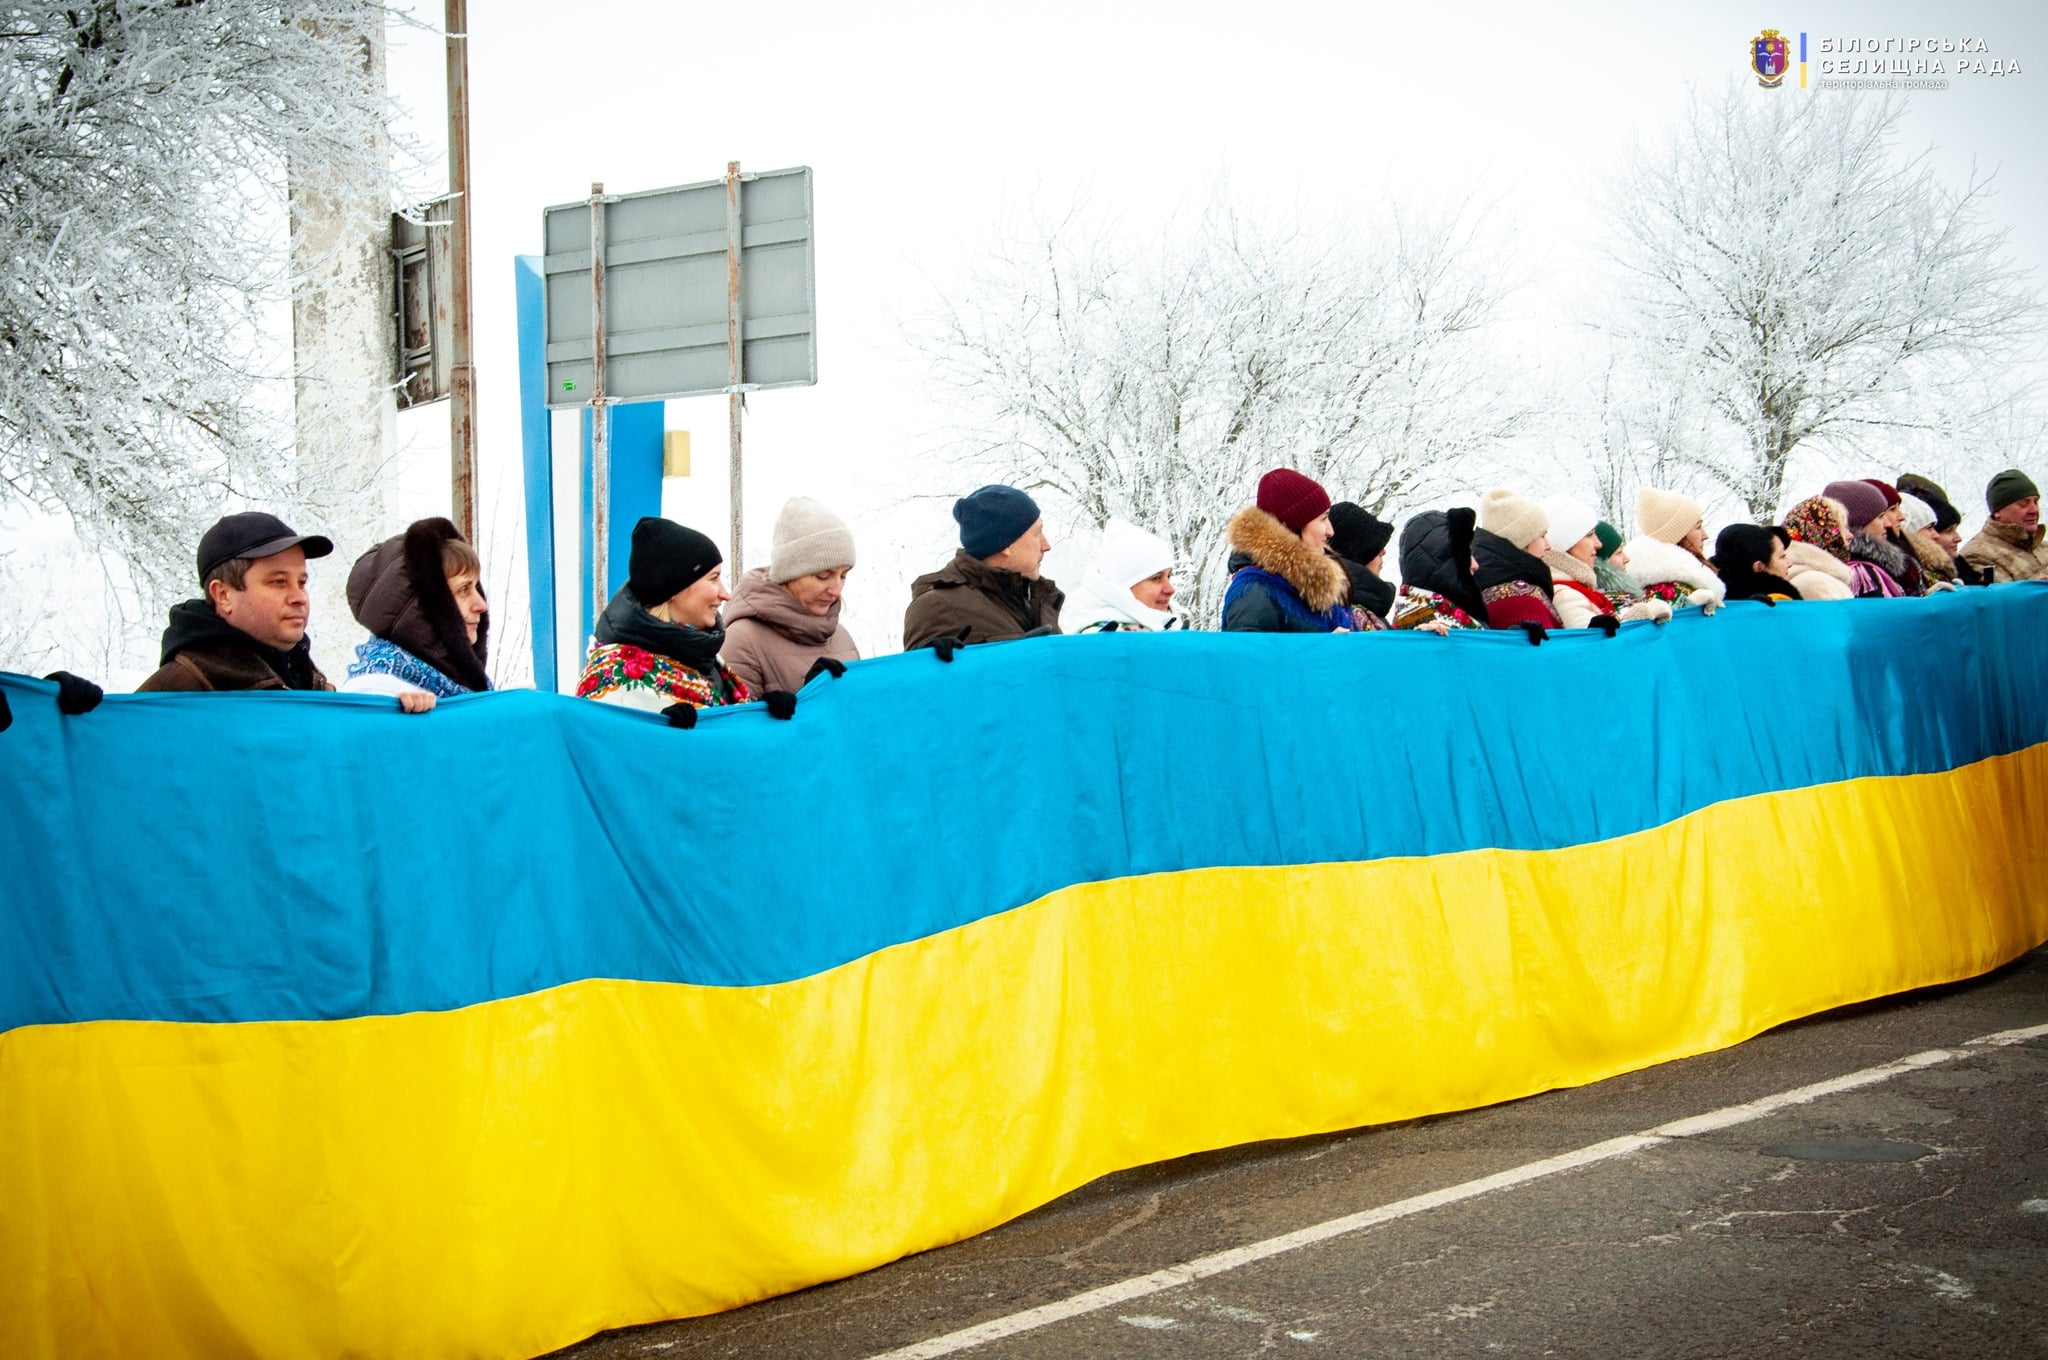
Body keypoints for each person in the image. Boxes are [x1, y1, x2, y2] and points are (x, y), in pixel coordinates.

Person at [138, 511, 335, 692]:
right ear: (223, 595)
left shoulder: (309, 680)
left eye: (301, 583)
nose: (299, 598)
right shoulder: (178, 690)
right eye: (278, 582)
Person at [577, 517, 749, 712]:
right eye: (713, 579)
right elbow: (594, 728)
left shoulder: (703, 657)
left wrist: (764, 713)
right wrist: (657, 727)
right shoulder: (612, 677)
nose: (726, 594)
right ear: (673, 590)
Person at [341, 518, 491, 712]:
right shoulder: (375, 695)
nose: (481, 605)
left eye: (476, 587)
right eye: (463, 589)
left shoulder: (450, 685)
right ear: (419, 608)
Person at [722, 498, 861, 692]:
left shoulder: (840, 636)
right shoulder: (742, 640)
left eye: (843, 575)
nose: (836, 591)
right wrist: (806, 699)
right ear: (789, 574)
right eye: (823, 576)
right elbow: (737, 711)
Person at [903, 485, 1063, 648]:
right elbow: (917, 664)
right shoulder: (938, 607)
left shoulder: (1037, 598)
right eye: (1037, 533)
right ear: (1005, 544)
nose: (1046, 545)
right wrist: (928, 655)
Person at [1221, 469, 1356, 633]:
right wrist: (1325, 646)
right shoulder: (1253, 593)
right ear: (1293, 527)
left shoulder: (1308, 587)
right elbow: (1246, 650)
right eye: (1323, 519)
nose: (1330, 531)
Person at [1540, 497, 1671, 627]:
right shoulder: (1564, 595)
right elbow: (1594, 638)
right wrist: (1643, 615)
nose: (1598, 544)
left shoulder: (1578, 590)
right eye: (1589, 535)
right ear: (1566, 544)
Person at [1061, 518, 1182, 633]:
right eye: (1156, 578)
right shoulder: (1099, 641)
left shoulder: (1164, 630)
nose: (1170, 589)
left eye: (1169, 576)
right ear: (1121, 585)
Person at [1471, 488, 1562, 630]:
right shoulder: (1522, 602)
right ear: (1523, 541)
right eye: (1542, 536)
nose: (1548, 546)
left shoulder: (1492, 588)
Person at [1623, 488, 1724, 613]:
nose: (1705, 535)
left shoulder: (1685, 578)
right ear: (1678, 536)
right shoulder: (1664, 588)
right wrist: (1688, 605)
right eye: (1698, 527)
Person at [1392, 508, 1486, 630]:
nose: (1475, 565)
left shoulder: (1424, 614)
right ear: (1443, 561)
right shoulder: (1428, 627)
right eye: (1466, 554)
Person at [1823, 480, 1912, 597]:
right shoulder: (1861, 576)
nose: (1888, 524)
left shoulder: (1873, 565)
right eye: (1880, 517)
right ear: (1858, 522)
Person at [1960, 469, 2048, 582]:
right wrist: (2039, 585)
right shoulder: (1976, 556)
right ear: (1997, 511)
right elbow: (2000, 592)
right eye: (2023, 504)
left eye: (2035, 502)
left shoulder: (2043, 547)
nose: (2034, 510)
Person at [1325, 502, 1398, 629]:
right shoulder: (1338, 614)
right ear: (1356, 555)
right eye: (1375, 548)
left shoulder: (1369, 610)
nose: (1383, 551)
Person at [1779, 496, 1856, 601]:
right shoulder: (1817, 585)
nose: (1850, 535)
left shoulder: (1804, 576)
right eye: (1842, 527)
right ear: (1823, 532)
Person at [1710, 525, 1801, 603]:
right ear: (1759, 567)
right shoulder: (1778, 604)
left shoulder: (1708, 602)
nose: (1790, 563)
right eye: (1782, 556)